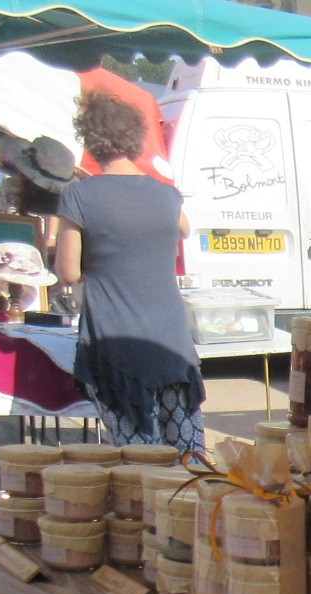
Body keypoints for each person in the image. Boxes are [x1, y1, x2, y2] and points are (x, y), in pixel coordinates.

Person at [53, 92, 203, 452]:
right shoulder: (167, 195)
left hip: (115, 342)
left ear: (91, 140)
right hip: (171, 342)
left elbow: (68, 272)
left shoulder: (79, 196)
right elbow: (184, 229)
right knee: (188, 456)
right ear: (136, 139)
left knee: (139, 458)